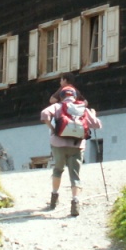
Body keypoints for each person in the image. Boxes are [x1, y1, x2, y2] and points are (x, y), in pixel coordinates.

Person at [40, 78, 101, 217]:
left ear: (62, 96)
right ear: (75, 96)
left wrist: (53, 129)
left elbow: (44, 115)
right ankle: (75, 202)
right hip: (77, 145)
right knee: (75, 174)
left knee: (58, 170)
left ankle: (54, 197)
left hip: (58, 144)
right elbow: (97, 125)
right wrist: (93, 114)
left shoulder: (57, 106)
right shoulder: (83, 109)